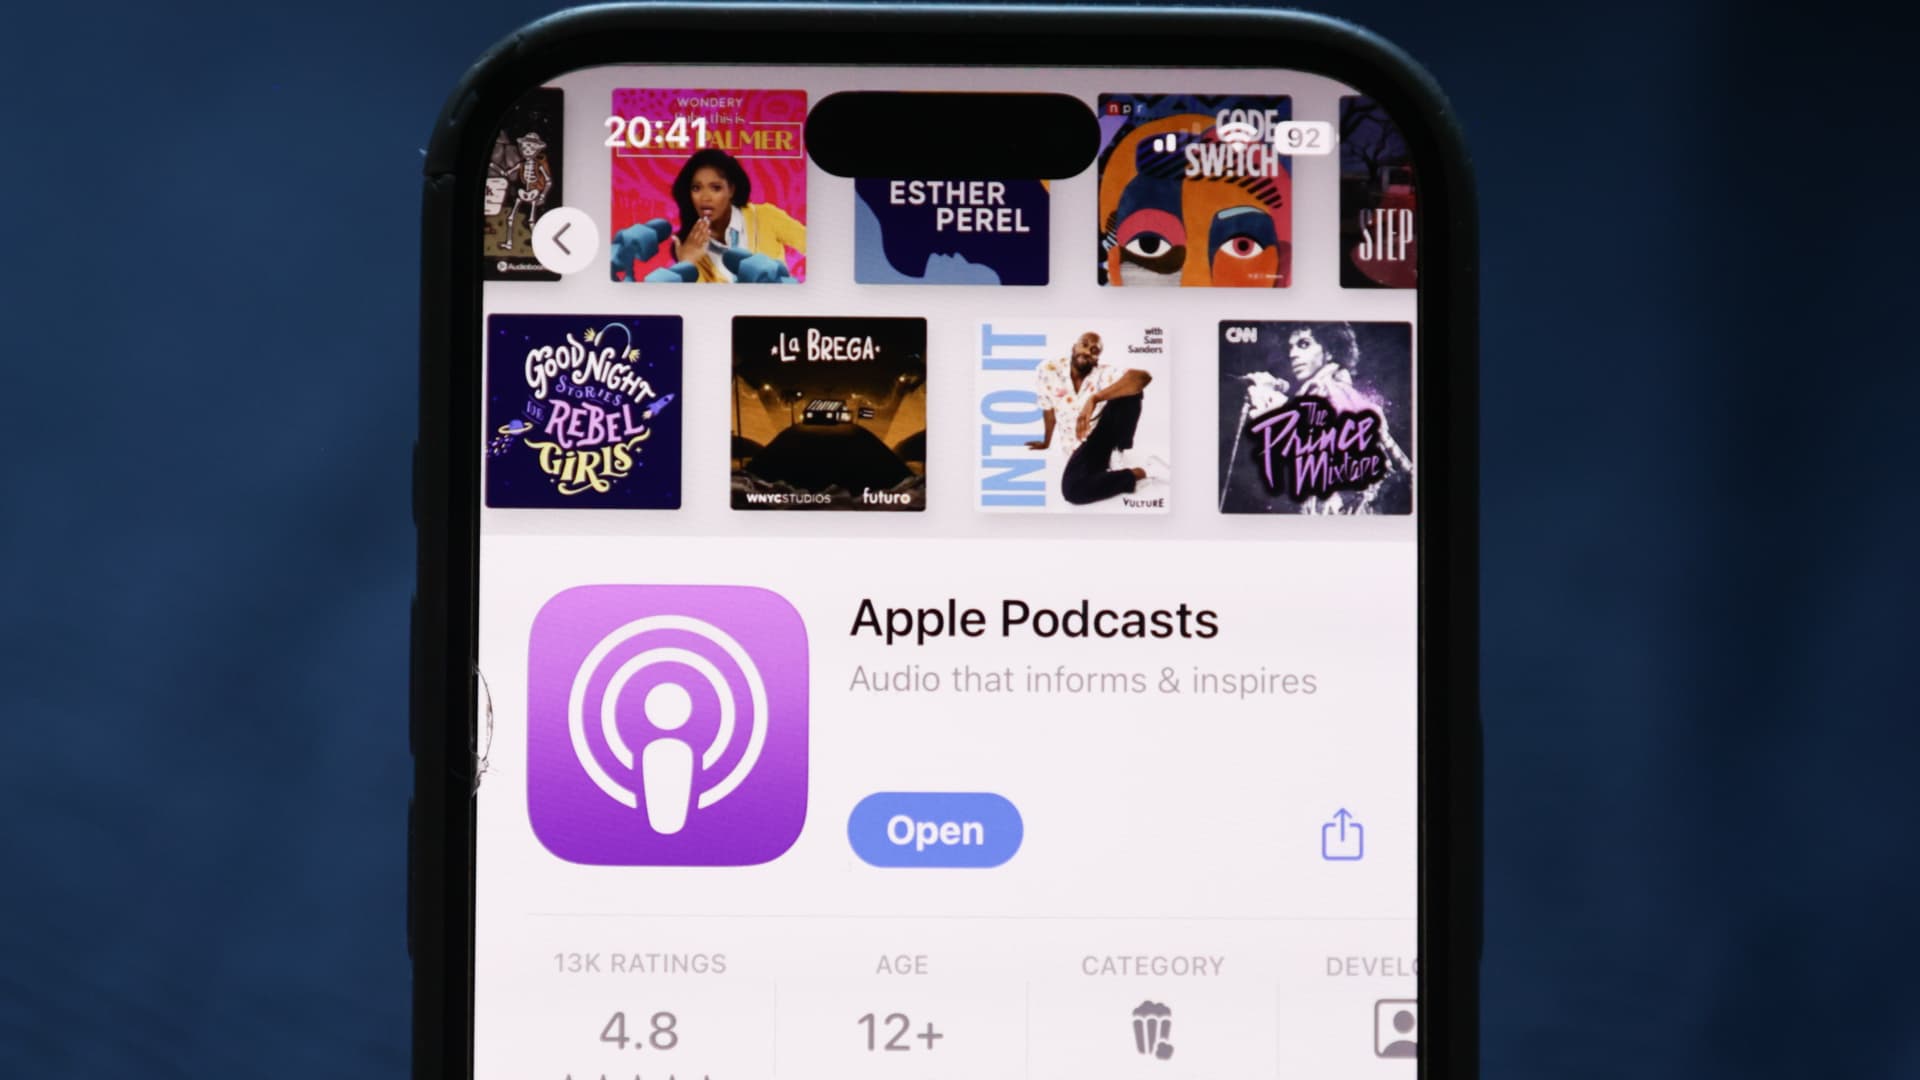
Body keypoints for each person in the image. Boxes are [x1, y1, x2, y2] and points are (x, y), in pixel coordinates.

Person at [1026, 332, 1164, 505]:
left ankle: (1116, 451)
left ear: (1097, 358)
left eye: (1094, 350)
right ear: (1073, 347)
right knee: (1072, 491)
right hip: (1078, 447)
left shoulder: (1102, 373)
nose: (1087, 352)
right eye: (1084, 345)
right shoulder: (1048, 369)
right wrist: (1046, 442)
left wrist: (1095, 398)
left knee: (1131, 390)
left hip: (1101, 435)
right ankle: (1140, 473)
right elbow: (1048, 408)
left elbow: (1143, 377)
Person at [667, 147, 806, 283]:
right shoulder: (690, 247)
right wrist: (687, 263)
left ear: (731, 190)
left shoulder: (765, 216)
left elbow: (813, 244)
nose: (705, 198)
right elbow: (698, 297)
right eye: (696, 188)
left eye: (716, 188)